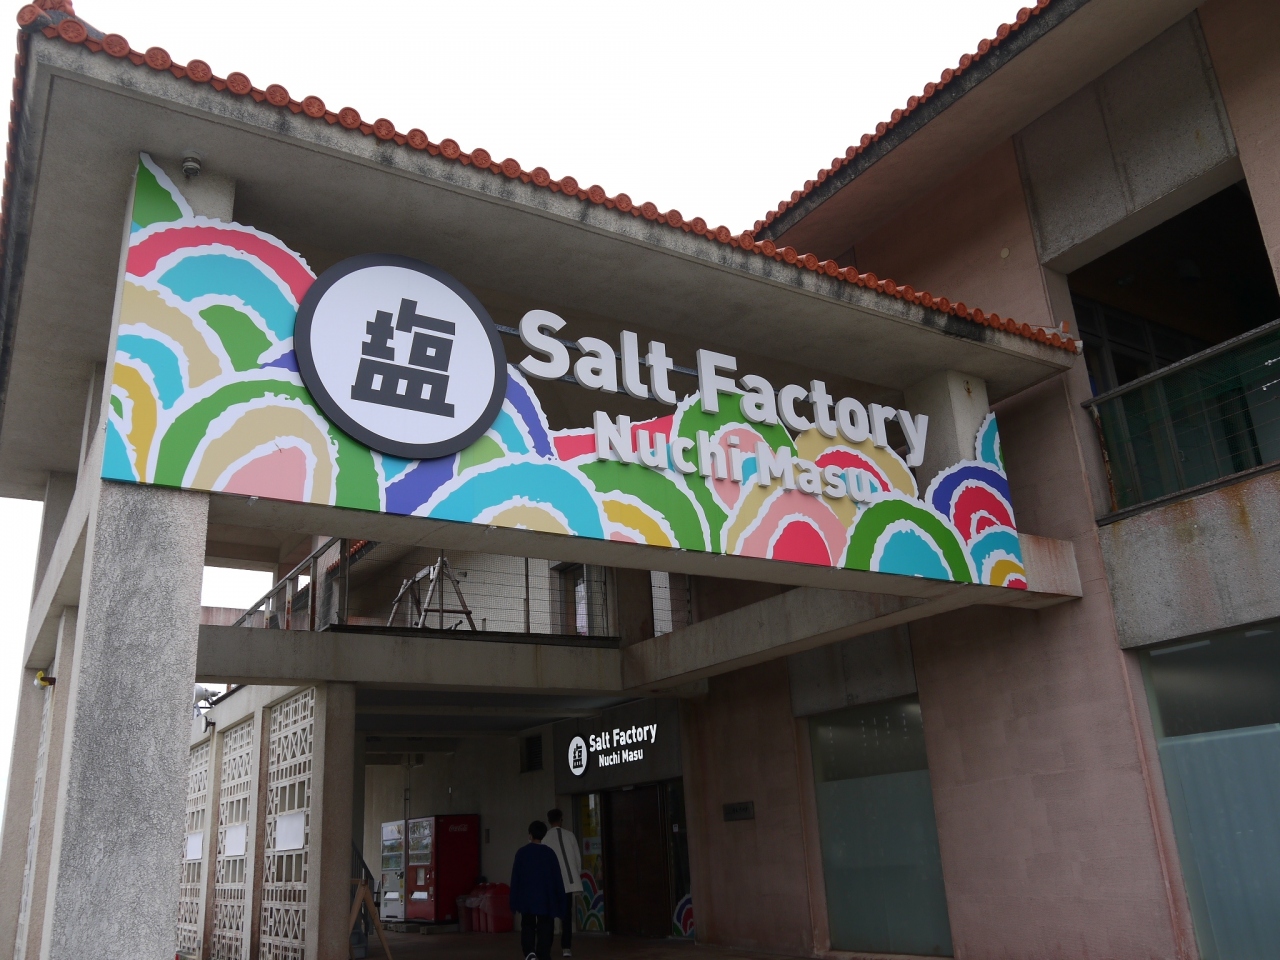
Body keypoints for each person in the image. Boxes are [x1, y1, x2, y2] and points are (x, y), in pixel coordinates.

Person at [509, 820, 565, 960]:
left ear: (530, 834)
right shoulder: (549, 853)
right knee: (545, 926)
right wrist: (560, 900)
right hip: (545, 897)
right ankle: (543, 953)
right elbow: (557, 878)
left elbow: (515, 878)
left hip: (527, 896)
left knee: (527, 924)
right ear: (543, 835)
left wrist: (514, 899)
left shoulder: (522, 853)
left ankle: (529, 952)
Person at [546, 809, 583, 957]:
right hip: (567, 883)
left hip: (550, 884)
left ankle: (546, 946)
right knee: (566, 916)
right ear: (561, 819)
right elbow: (577, 860)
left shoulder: (545, 837)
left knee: (548, 917)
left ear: (549, 820)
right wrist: (575, 877)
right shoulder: (570, 835)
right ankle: (566, 948)